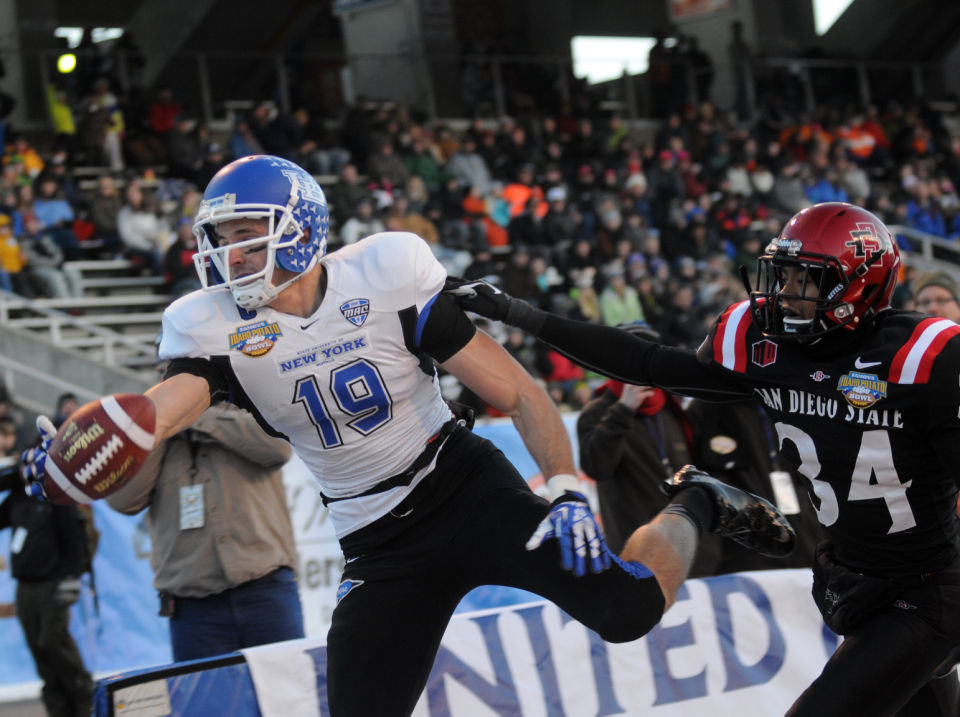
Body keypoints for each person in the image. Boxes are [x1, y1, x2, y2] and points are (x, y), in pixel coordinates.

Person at [23, 155, 794, 715]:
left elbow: (519, 390)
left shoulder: (386, 273)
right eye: (220, 237)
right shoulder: (210, 325)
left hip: (462, 486)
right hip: (374, 536)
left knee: (628, 612)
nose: (229, 255)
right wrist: (74, 462)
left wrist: (563, 487)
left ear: (301, 228)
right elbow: (149, 429)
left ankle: (695, 499)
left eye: (248, 235)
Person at [446, 201, 960, 716]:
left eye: (805, 280)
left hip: (929, 584)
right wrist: (518, 313)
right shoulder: (767, 347)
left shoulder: (924, 360)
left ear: (857, 288)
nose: (784, 294)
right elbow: (646, 362)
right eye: (782, 275)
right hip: (848, 571)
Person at [106, 400, 302, 662]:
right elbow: (122, 500)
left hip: (265, 591)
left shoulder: (249, 402)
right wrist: (160, 426)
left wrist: (194, 415)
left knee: (286, 697)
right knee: (208, 703)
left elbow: (280, 449)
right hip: (193, 609)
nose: (171, 372)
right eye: (164, 367)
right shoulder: (146, 429)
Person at [577, 323, 721, 577]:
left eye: (650, 359)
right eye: (634, 360)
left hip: (695, 555)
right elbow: (597, 468)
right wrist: (623, 410)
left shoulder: (670, 406)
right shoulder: (598, 412)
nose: (643, 370)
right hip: (641, 559)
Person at [0, 427, 93, 717]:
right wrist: (15, 475)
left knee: (56, 645)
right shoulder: (18, 495)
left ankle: (85, 705)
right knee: (40, 654)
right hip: (25, 588)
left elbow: (73, 538)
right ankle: (58, 711)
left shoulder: (56, 494)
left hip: (52, 584)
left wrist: (71, 578)